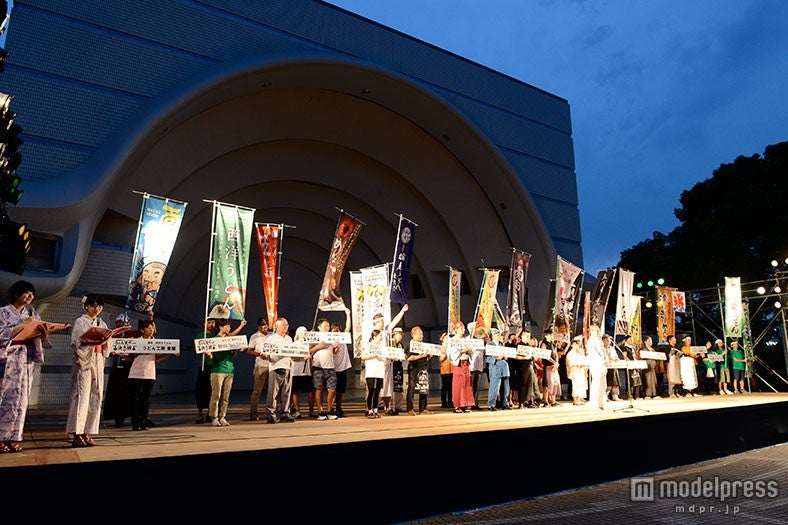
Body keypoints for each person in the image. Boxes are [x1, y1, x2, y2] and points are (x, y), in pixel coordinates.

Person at [0, 280, 52, 453]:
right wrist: (22, 325)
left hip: (26, 359)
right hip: (9, 359)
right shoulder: (4, 312)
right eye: (26, 292)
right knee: (6, 398)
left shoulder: (32, 313)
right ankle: (1, 437)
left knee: (21, 400)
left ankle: (14, 437)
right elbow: (2, 334)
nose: (30, 296)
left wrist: (43, 335)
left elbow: (39, 336)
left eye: (32, 293)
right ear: (16, 294)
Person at [66, 293, 110, 447]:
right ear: (86, 306)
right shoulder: (81, 321)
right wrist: (92, 342)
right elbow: (76, 342)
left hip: (98, 360)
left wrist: (105, 342)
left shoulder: (102, 323)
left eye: (99, 306)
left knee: (95, 396)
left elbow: (107, 347)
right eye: (93, 305)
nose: (96, 308)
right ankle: (77, 433)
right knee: (81, 396)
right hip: (85, 361)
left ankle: (87, 431)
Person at [127, 319, 170, 431]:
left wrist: (169, 354)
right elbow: (130, 357)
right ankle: (135, 422)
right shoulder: (136, 341)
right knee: (134, 399)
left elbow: (156, 358)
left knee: (145, 400)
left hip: (149, 374)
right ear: (142, 330)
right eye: (148, 328)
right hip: (135, 373)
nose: (151, 330)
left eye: (152, 328)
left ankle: (143, 420)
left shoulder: (156, 343)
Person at [206, 318, 247, 426]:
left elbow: (231, 355)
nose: (229, 328)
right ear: (220, 327)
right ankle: (214, 417)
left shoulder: (229, 340)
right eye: (227, 326)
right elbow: (210, 354)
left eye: (229, 326)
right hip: (218, 370)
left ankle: (222, 416)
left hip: (229, 370)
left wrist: (237, 350)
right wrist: (209, 354)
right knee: (216, 395)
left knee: (225, 396)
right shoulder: (214, 339)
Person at [103, 312, 133, 428]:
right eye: (118, 323)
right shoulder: (113, 336)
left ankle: (128, 416)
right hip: (116, 367)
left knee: (127, 393)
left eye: (122, 322)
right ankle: (116, 418)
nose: (120, 324)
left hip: (128, 367)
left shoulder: (132, 335)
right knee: (115, 393)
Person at [265, 317, 295, 423]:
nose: (286, 327)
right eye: (284, 325)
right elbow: (266, 353)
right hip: (276, 367)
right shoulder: (271, 339)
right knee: (273, 392)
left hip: (288, 366)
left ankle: (285, 412)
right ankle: (270, 413)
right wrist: (264, 355)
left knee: (286, 391)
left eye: (287, 325)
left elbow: (292, 352)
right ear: (277, 327)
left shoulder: (289, 339)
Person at [310, 318, 339, 420]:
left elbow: (335, 352)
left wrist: (336, 347)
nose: (327, 328)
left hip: (330, 366)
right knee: (319, 389)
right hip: (318, 367)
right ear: (319, 327)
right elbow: (308, 351)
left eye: (328, 326)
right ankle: (320, 411)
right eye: (325, 326)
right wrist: (318, 346)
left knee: (332, 389)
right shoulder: (314, 336)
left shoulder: (331, 337)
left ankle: (330, 409)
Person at [246, 317, 270, 421]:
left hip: (272, 365)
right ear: (258, 327)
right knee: (257, 391)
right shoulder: (254, 336)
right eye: (261, 327)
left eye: (265, 326)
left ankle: (271, 411)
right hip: (260, 365)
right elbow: (249, 351)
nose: (264, 328)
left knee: (272, 391)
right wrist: (259, 354)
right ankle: (253, 412)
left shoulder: (272, 335)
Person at [194, 318, 217, 423]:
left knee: (211, 391)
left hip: (214, 366)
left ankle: (210, 413)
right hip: (203, 366)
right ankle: (200, 414)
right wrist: (203, 351)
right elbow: (195, 350)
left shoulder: (217, 336)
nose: (211, 325)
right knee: (200, 390)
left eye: (212, 322)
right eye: (209, 322)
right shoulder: (200, 336)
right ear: (204, 323)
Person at [405, 325, 432, 415]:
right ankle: (410, 409)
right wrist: (420, 356)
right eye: (420, 334)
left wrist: (428, 356)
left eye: (422, 334)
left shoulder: (423, 345)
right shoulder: (411, 345)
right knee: (412, 388)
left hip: (423, 367)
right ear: (413, 335)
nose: (421, 336)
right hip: (414, 368)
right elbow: (408, 358)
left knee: (423, 388)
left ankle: (423, 408)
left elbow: (427, 357)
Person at [448, 322, 474, 413]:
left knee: (467, 384)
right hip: (459, 363)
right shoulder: (453, 340)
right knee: (458, 385)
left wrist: (470, 350)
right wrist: (463, 351)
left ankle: (465, 404)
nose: (463, 330)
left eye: (463, 328)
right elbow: (452, 353)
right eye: (461, 329)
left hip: (466, 363)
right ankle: (457, 405)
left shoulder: (466, 339)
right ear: (456, 330)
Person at [290, 326, 315, 419]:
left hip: (307, 372)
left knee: (310, 391)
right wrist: (303, 356)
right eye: (303, 332)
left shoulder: (308, 344)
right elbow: (293, 357)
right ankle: (297, 411)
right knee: (295, 391)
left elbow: (316, 345)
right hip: (296, 372)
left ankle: (311, 410)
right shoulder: (294, 344)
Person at [331, 308, 352, 417]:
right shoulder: (330, 340)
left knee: (340, 391)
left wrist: (348, 314)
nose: (337, 332)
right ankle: (331, 408)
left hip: (342, 368)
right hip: (333, 368)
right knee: (332, 390)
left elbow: (348, 327)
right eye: (334, 330)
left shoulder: (343, 338)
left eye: (338, 330)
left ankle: (339, 408)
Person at [484, 328, 510, 410]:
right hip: (495, 367)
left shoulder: (501, 344)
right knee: (495, 387)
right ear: (493, 336)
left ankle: (504, 403)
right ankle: (491, 404)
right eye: (497, 334)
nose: (499, 335)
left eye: (499, 334)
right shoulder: (490, 345)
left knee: (505, 387)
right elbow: (487, 358)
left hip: (504, 367)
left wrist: (505, 356)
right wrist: (496, 358)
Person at [362, 329, 386, 418]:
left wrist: (381, 357)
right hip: (371, 371)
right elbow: (363, 356)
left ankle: (376, 410)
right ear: (374, 336)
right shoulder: (368, 346)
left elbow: (384, 358)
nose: (381, 337)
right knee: (371, 390)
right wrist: (373, 355)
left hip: (379, 370)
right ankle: (369, 410)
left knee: (378, 391)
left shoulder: (381, 347)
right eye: (380, 336)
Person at [586, 324, 607, 411]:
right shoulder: (590, 341)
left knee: (603, 385)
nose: (597, 332)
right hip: (596, 363)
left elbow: (603, 351)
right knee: (596, 384)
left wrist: (606, 358)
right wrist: (602, 360)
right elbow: (594, 353)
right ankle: (595, 404)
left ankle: (601, 403)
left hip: (602, 364)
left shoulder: (599, 341)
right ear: (592, 331)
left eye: (598, 331)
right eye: (595, 331)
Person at [565, 335, 589, 405]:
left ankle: (579, 399)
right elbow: (570, 362)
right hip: (575, 370)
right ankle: (575, 400)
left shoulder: (580, 352)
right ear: (572, 345)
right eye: (574, 344)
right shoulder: (570, 353)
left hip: (581, 369)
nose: (576, 346)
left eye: (577, 344)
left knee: (581, 384)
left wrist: (584, 365)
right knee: (575, 385)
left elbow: (584, 360)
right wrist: (577, 365)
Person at [468, 322, 485, 410]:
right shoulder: (468, 339)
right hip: (471, 366)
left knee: (477, 385)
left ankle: (475, 402)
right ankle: (469, 402)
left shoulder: (481, 340)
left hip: (479, 366)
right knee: (470, 385)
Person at [438, 332, 453, 409]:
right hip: (444, 369)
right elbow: (440, 359)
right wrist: (446, 353)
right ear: (443, 339)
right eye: (446, 338)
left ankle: (450, 401)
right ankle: (443, 402)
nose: (448, 339)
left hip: (451, 368)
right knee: (445, 386)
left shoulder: (451, 347)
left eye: (448, 338)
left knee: (451, 387)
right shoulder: (442, 348)